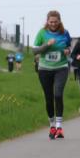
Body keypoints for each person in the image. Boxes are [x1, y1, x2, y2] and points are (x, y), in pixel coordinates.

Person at [32, 11, 72, 139]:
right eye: (51, 22)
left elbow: (69, 46)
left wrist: (68, 50)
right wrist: (46, 45)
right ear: (47, 21)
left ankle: (59, 126)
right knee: (48, 97)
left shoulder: (65, 33)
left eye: (55, 22)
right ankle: (52, 126)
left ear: (59, 21)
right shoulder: (42, 33)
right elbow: (34, 50)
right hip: (44, 69)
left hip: (61, 67)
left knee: (58, 94)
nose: (53, 24)